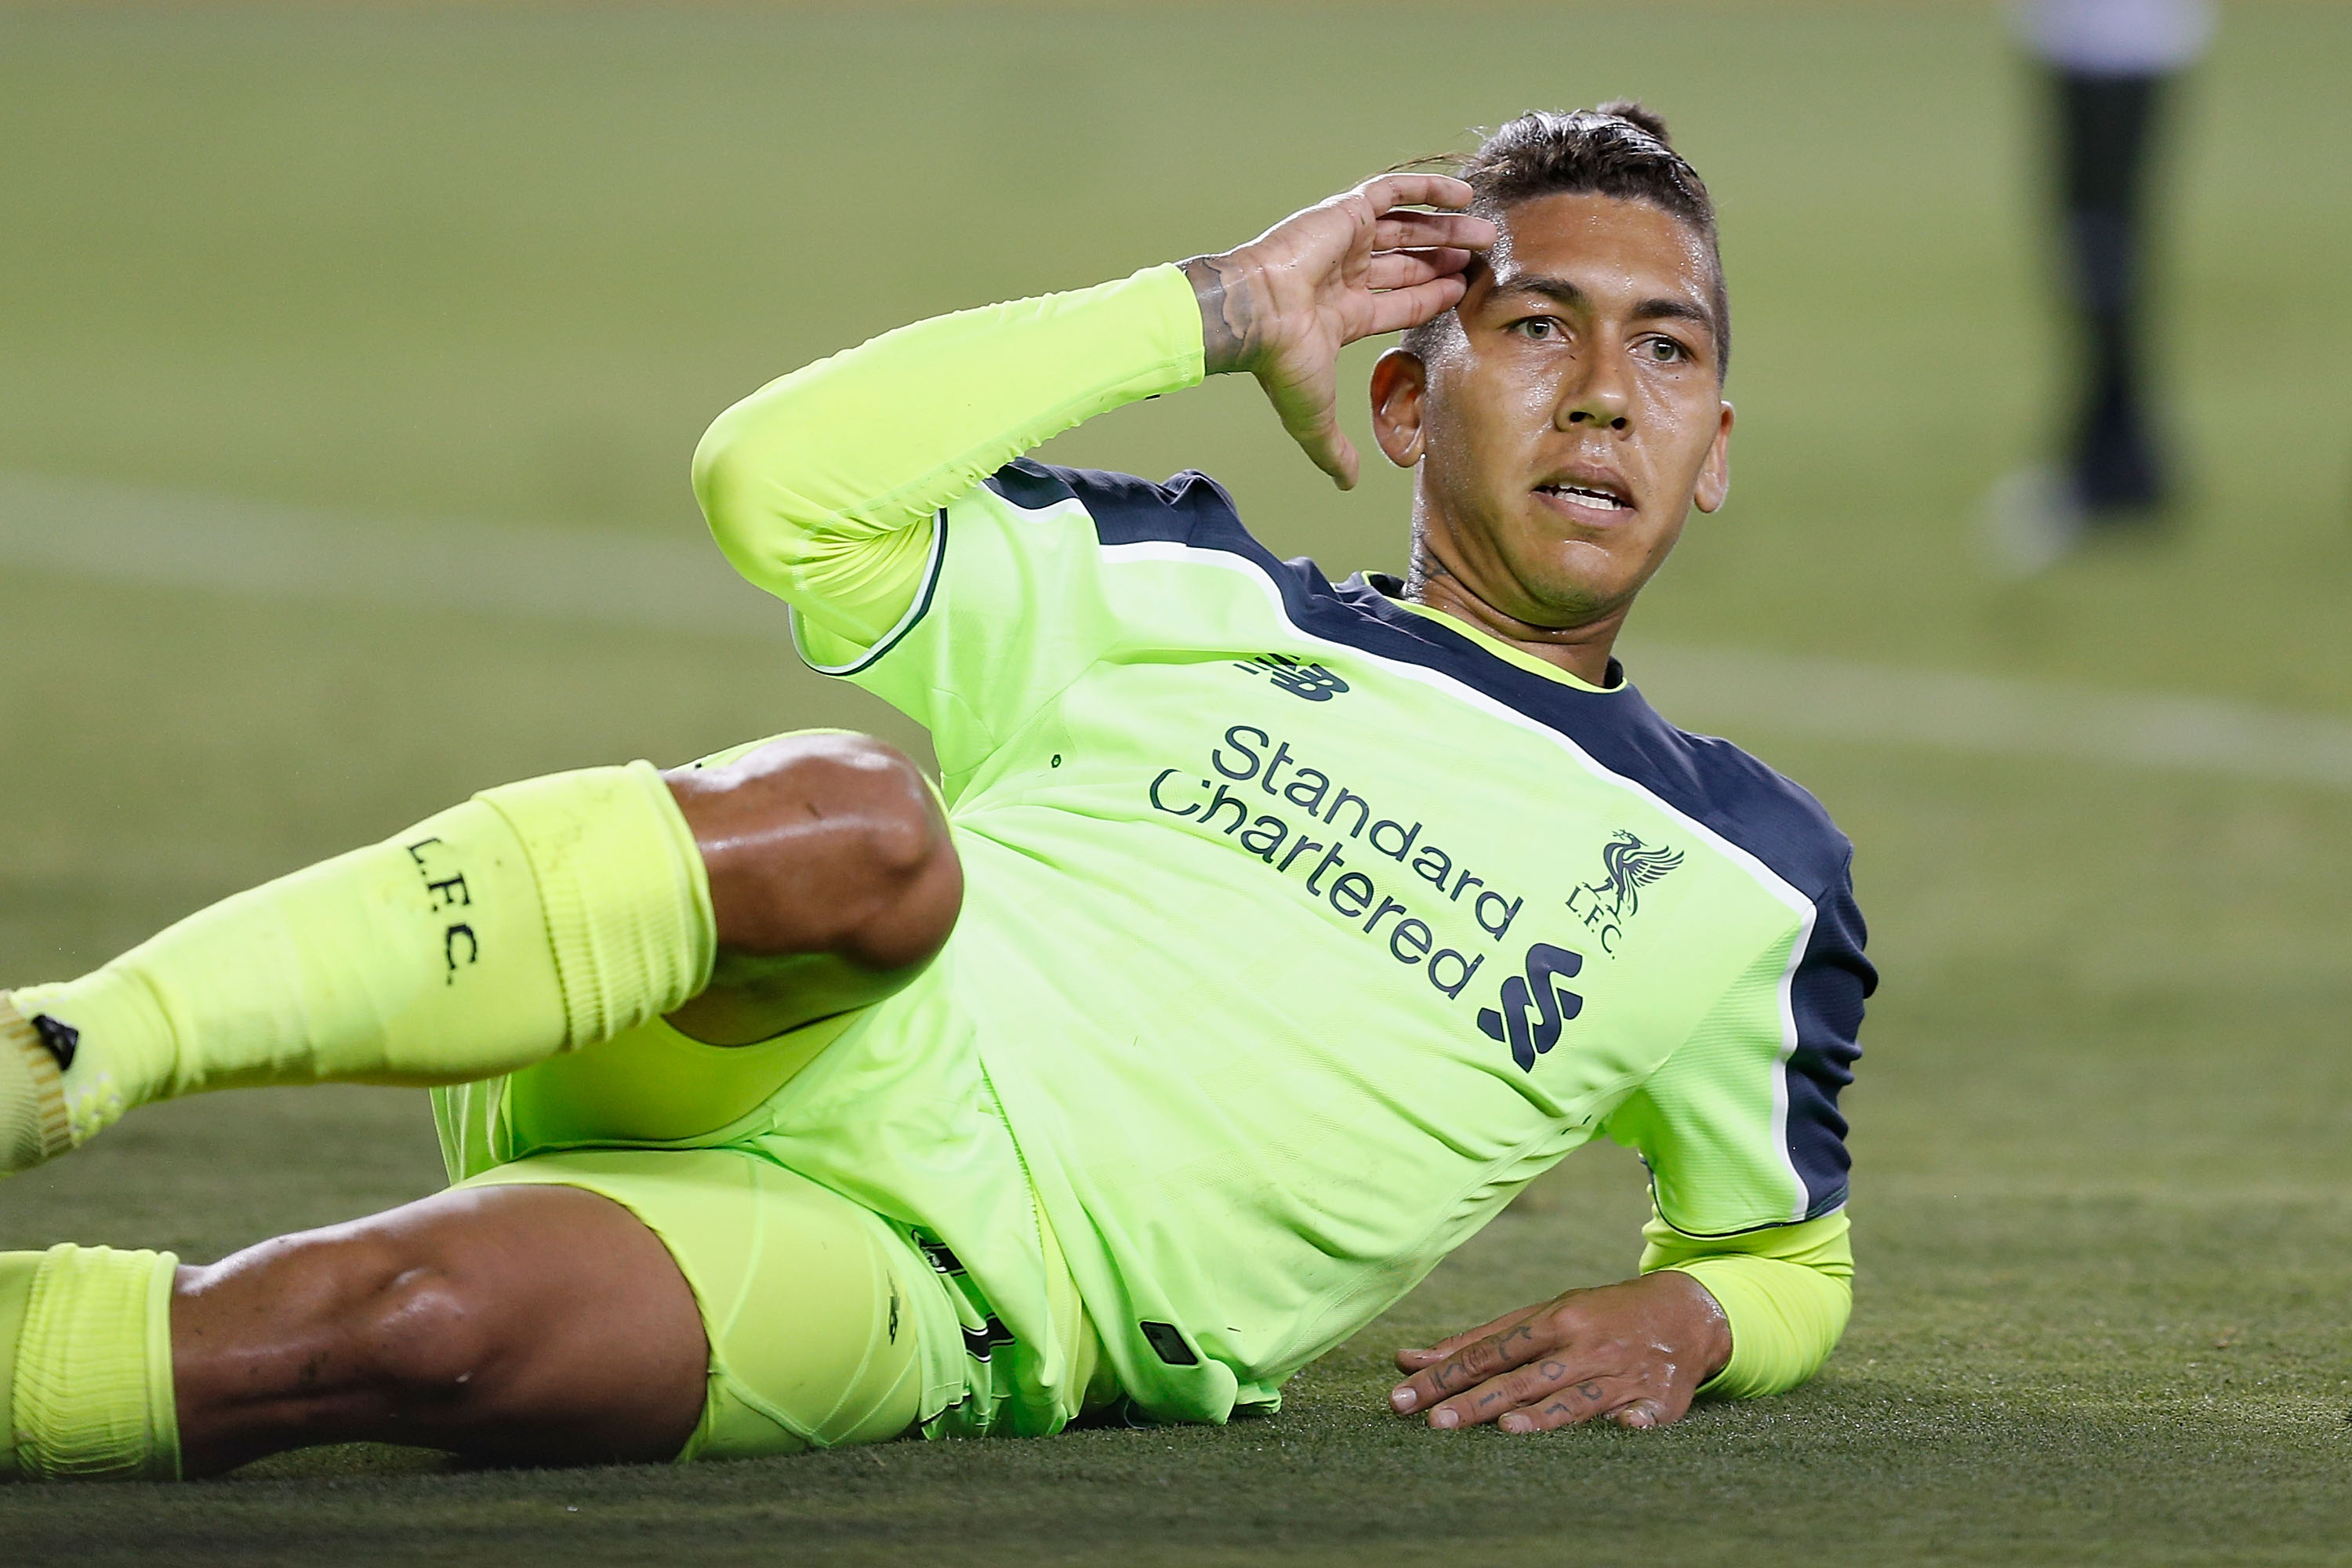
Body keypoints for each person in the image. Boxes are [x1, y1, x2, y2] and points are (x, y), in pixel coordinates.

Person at [0, 103, 1871, 1482]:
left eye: (1667, 349)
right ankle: (67, 1050)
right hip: (760, 1030)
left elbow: (1776, 1243)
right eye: (1536, 326)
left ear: (1712, 450)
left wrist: (1696, 1314)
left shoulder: (1751, 884)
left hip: (948, 1292)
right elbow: (776, 481)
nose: (1606, 394)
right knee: (866, 827)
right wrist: (1214, 302)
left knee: (387, 1333)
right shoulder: (1166, 584)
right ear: (1402, 402)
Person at [1987, 0, 2215, 570]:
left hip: (2117, 38)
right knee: (2091, 242)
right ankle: (2112, 449)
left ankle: (2116, 461)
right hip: (2086, 34)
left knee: (2100, 243)